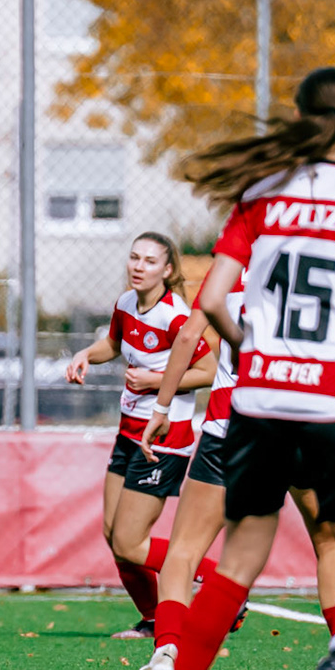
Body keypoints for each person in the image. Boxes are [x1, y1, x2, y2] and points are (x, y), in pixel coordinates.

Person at [142, 67, 335, 670]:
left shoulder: (259, 196)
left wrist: (253, 350)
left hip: (259, 402)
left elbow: (209, 302)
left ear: (298, 116)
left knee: (236, 562)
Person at [125, 284, 335, 670]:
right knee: (330, 545)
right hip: (306, 425)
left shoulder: (234, 266)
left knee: (186, 552)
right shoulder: (320, 258)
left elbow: (189, 335)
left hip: (235, 424)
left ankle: (167, 651)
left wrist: (161, 408)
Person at [64, 234, 218, 641]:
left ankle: (222, 583)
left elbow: (208, 371)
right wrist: (85, 355)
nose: (139, 266)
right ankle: (153, 620)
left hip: (165, 437)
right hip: (129, 432)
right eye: (135, 258)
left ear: (167, 270)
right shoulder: (126, 303)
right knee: (114, 536)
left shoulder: (175, 316)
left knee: (131, 544)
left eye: (150, 261)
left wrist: (154, 380)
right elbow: (113, 344)